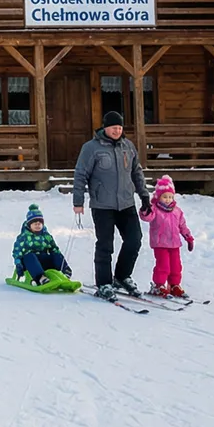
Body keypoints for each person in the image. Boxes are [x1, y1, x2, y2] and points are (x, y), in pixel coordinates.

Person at [73, 110, 152, 300]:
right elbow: (80, 173)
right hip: (102, 205)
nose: (117, 130)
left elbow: (137, 172)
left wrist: (144, 196)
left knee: (134, 240)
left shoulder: (128, 147)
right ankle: (104, 283)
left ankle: (122, 276)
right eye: (113, 127)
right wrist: (78, 201)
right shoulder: (91, 148)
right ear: (105, 128)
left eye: (119, 127)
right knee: (105, 245)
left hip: (126, 203)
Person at [140, 175, 195, 298]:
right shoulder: (154, 209)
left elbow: (182, 226)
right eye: (165, 197)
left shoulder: (177, 211)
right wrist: (145, 210)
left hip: (174, 244)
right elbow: (147, 217)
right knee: (163, 265)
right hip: (160, 244)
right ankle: (158, 285)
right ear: (158, 197)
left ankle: (174, 285)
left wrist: (188, 237)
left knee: (176, 265)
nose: (168, 199)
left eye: (170, 197)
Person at [9, 204, 77, 289]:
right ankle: (40, 278)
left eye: (40, 223)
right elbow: (17, 252)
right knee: (29, 256)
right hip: (29, 263)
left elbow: (54, 249)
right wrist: (18, 264)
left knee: (55, 254)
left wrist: (58, 258)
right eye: (35, 223)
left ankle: (65, 272)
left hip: (42, 261)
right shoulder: (23, 237)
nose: (38, 225)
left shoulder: (46, 236)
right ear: (29, 225)